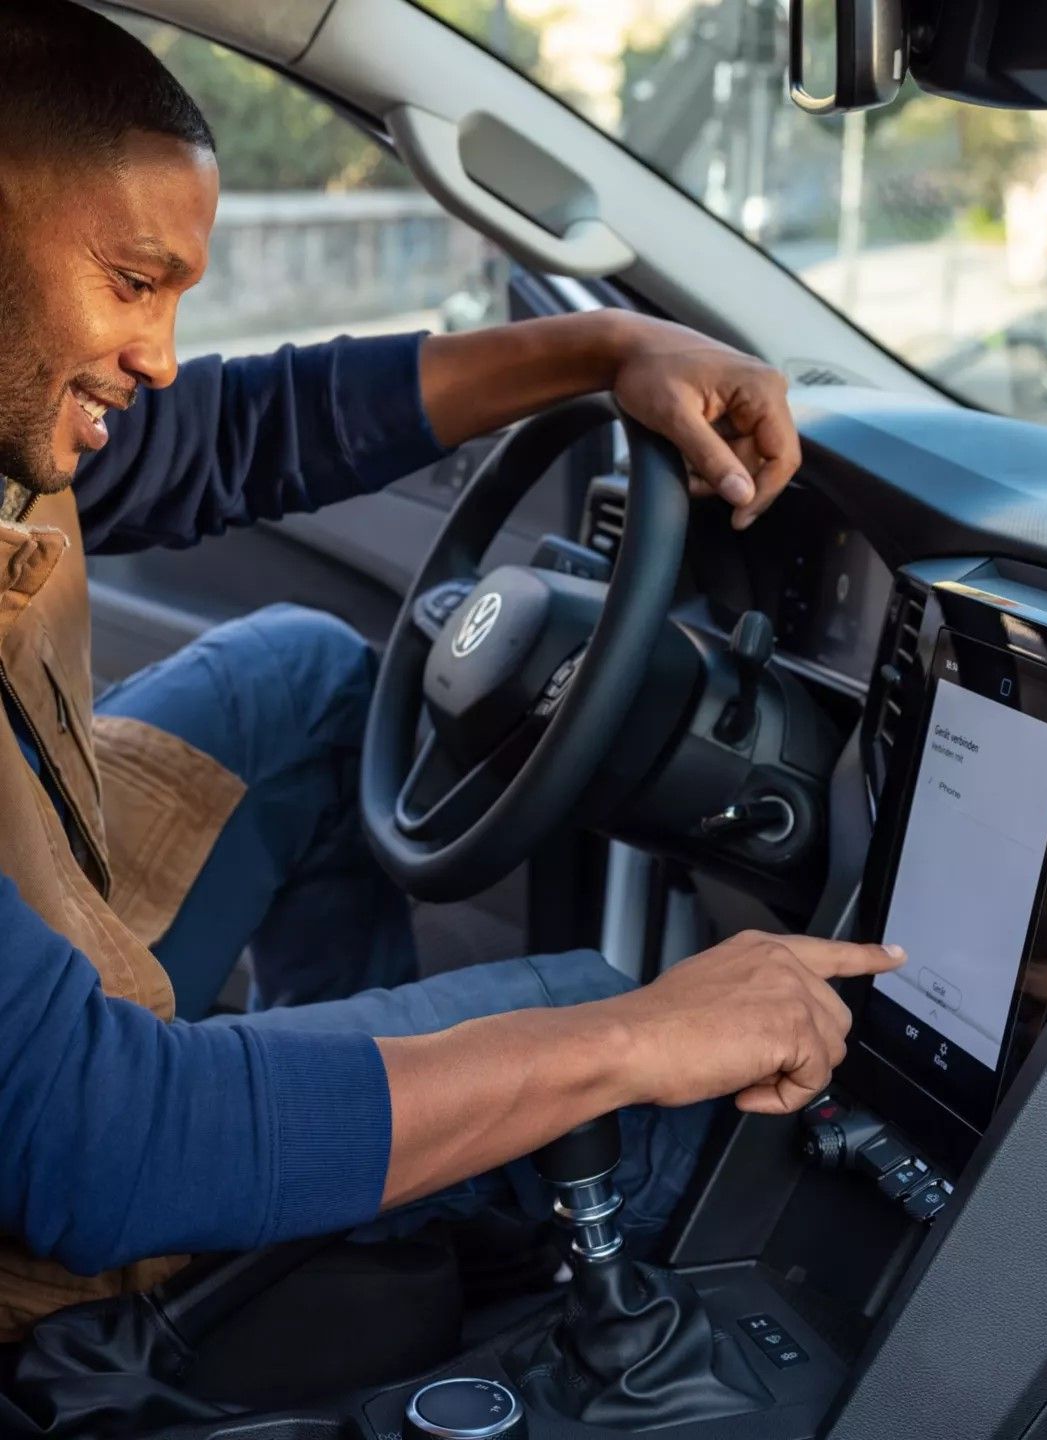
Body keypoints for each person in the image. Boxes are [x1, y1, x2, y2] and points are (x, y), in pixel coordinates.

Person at [0, 0, 904, 1342]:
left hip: (43, 931)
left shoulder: (20, 417)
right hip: (58, 1166)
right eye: (134, 283)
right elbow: (91, 1143)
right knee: (615, 1035)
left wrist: (608, 348)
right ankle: (263, 1243)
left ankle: (329, 1204)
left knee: (306, 677)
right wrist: (634, 1036)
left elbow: (241, 437)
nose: (162, 356)